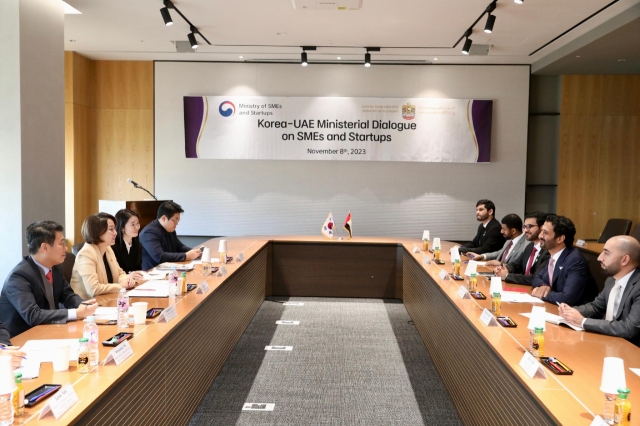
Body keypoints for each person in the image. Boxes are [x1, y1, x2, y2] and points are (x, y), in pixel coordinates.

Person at [0, 221, 98, 338]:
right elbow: (33, 315)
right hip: (23, 339)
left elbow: (67, 295)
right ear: (44, 247)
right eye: (61, 243)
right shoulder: (19, 276)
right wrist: (76, 313)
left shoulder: (56, 267)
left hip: (50, 331)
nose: (66, 248)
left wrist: (84, 305)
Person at [559, 236, 640, 346]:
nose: (599, 258)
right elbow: (596, 306)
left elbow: (629, 328)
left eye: (606, 253)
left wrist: (583, 322)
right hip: (609, 342)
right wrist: (571, 311)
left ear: (624, 260)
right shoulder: (611, 280)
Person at [70, 213, 143, 299]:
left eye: (114, 229)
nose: (115, 233)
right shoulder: (86, 254)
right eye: (111, 229)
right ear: (98, 231)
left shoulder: (108, 249)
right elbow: (94, 289)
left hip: (107, 299)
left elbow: (119, 273)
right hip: (86, 304)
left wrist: (127, 279)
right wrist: (120, 286)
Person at [531, 215, 598, 305]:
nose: (540, 236)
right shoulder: (554, 255)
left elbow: (567, 298)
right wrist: (544, 286)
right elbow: (536, 278)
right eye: (541, 231)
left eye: (545, 233)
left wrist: (541, 294)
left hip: (576, 314)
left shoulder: (575, 260)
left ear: (560, 239)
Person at [139, 201, 201, 270]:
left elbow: (179, 247)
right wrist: (186, 256)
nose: (177, 223)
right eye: (175, 220)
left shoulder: (170, 229)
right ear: (164, 218)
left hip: (168, 269)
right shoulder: (149, 233)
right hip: (152, 274)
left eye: (178, 220)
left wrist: (194, 252)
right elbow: (160, 257)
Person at [495, 211, 550, 285]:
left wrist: (506, 276)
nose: (525, 230)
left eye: (530, 226)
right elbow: (516, 265)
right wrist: (503, 269)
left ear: (542, 227)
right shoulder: (530, 246)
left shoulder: (548, 251)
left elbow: (535, 277)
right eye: (525, 227)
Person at [112, 209, 142, 273]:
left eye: (137, 223)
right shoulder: (113, 246)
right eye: (133, 224)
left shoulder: (137, 244)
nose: (137, 227)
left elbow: (138, 268)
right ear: (122, 227)